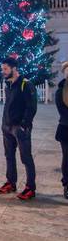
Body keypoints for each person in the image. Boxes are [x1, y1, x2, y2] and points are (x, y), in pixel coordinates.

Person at [0, 56, 37, 200]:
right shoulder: (8, 84)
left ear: (14, 68)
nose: (3, 71)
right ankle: (11, 183)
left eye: (6, 69)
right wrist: (4, 124)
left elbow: (31, 107)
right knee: (9, 156)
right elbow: (8, 105)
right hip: (7, 127)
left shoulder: (25, 84)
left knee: (26, 158)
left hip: (20, 128)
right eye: (2, 69)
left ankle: (30, 188)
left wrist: (24, 125)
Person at [55, 61, 68, 199]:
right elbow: (63, 112)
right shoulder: (60, 91)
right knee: (67, 158)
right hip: (65, 129)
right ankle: (66, 185)